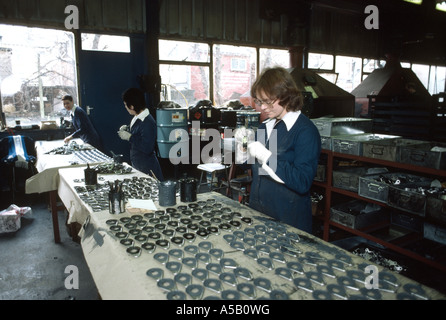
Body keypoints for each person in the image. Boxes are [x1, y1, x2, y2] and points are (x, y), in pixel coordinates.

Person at [235, 67, 321, 233]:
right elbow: (253, 167)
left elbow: (302, 182)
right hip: (259, 211)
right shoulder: (265, 126)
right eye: (260, 102)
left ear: (285, 95)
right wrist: (243, 149)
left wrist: (267, 157)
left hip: (288, 219)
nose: (263, 107)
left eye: (268, 101)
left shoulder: (305, 131)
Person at [118, 88, 164, 181]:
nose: (125, 107)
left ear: (131, 106)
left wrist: (130, 137)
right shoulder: (138, 117)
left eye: (125, 105)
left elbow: (147, 148)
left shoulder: (148, 123)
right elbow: (139, 131)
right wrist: (128, 129)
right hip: (138, 163)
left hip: (147, 167)